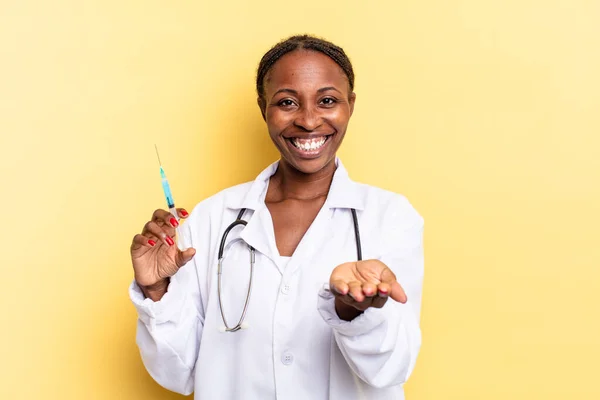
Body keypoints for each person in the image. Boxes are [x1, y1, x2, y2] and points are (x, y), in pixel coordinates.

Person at [129, 34, 424, 400]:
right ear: (263, 107)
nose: (309, 120)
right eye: (287, 102)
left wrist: (352, 310)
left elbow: (392, 368)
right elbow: (180, 373)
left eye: (327, 101)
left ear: (350, 105)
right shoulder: (211, 219)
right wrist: (156, 292)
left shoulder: (391, 217)